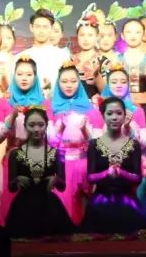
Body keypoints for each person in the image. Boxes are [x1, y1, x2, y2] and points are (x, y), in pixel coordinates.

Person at [81, 96, 146, 234]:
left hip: (128, 202)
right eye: (109, 113)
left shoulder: (134, 144)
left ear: (125, 116)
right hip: (101, 201)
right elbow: (90, 177)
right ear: (103, 116)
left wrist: (122, 173)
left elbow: (138, 177)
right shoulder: (94, 144)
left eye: (119, 113)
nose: (114, 117)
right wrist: (106, 173)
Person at [0, 56, 50, 223]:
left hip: (39, 157)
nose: (24, 78)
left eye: (29, 74)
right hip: (13, 158)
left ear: (35, 77)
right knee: (11, 202)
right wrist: (12, 117)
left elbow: (52, 136)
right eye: (19, 74)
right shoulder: (4, 102)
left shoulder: (44, 102)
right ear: (14, 76)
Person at [5, 106, 74, 237]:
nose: (36, 129)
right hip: (23, 209)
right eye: (31, 125)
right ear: (25, 126)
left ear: (46, 126)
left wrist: (55, 179)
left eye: (40, 125)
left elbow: (62, 186)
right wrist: (17, 180)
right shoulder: (15, 154)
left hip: (50, 207)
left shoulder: (56, 153)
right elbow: (11, 188)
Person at [50, 60, 102, 224]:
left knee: (85, 209)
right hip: (61, 165)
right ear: (58, 83)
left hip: (84, 163)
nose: (69, 85)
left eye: (73, 81)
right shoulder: (50, 108)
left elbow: (98, 143)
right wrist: (60, 129)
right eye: (64, 81)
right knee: (64, 209)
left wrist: (85, 131)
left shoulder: (91, 110)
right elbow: (49, 142)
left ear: (79, 82)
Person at [14, 9, 72, 99]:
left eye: (45, 27)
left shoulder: (63, 56)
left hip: (56, 103)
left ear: (51, 28)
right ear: (31, 28)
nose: (41, 31)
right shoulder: (21, 57)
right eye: (37, 26)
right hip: (27, 104)